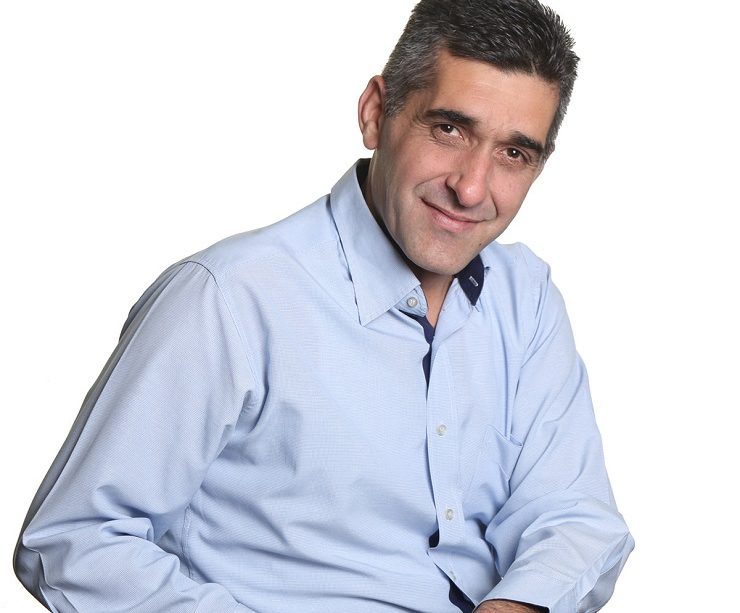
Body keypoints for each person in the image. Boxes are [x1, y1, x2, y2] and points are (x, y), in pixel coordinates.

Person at [14, 0, 634, 611]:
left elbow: (573, 514)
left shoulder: (526, 298)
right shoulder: (228, 299)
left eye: (513, 153)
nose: (471, 188)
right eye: (449, 129)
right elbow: (75, 542)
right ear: (375, 113)